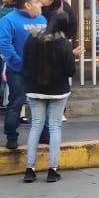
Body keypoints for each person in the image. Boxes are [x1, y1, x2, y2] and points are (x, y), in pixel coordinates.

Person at [21, 27, 78, 183]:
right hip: (58, 90)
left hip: (34, 89)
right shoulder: (62, 41)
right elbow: (70, 70)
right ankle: (52, 170)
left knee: (35, 126)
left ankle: (29, 170)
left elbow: (25, 63)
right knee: (55, 126)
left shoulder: (31, 38)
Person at [0, 0, 47, 151]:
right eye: (37, 2)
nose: (41, 5)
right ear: (27, 5)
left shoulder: (42, 20)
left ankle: (44, 134)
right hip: (18, 70)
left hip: (40, 70)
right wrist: (19, 63)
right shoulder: (8, 21)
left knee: (42, 102)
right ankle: (11, 136)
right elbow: (4, 45)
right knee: (16, 103)